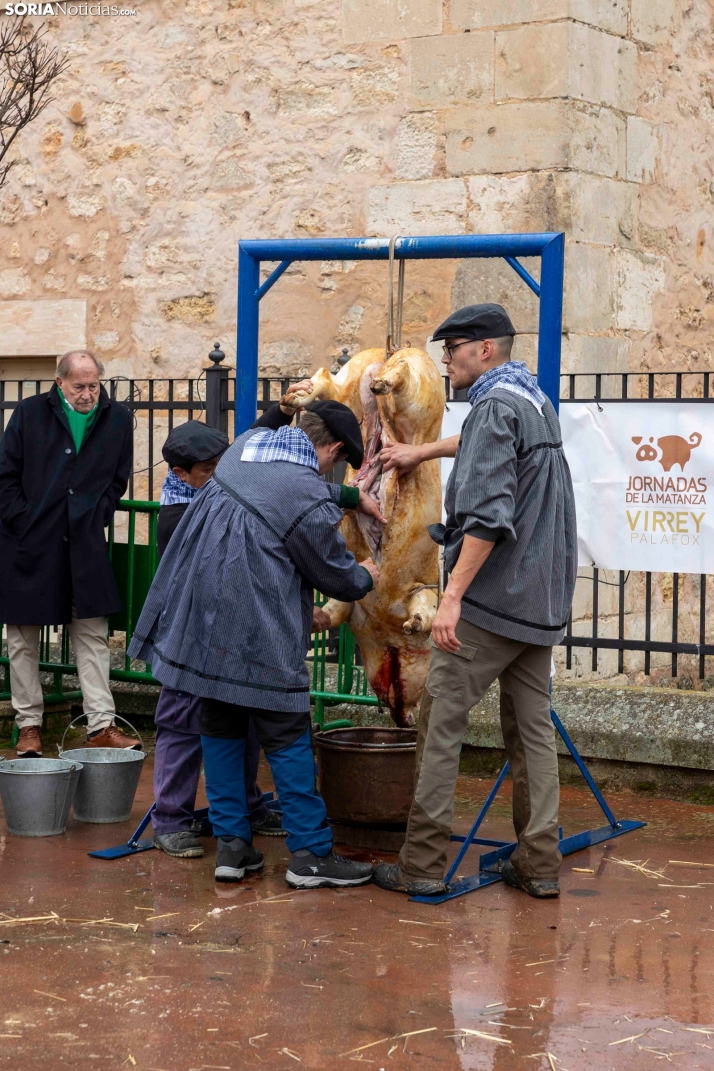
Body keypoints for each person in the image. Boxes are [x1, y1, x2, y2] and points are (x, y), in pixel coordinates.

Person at [129, 400, 385, 888]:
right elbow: (337, 577)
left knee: (221, 729)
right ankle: (310, 855)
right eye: (335, 464)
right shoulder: (307, 494)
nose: (328, 474)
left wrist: (351, 498)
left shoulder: (245, 449)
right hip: (258, 631)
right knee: (288, 738)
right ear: (332, 450)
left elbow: (278, 491)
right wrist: (366, 574)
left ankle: (232, 849)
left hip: (200, 626)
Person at [374, 303, 577, 900]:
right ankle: (539, 864)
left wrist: (452, 598)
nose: (445, 359)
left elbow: (488, 518)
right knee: (532, 734)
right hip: (540, 602)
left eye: (454, 347)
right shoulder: (531, 399)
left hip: (492, 604)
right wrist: (422, 452)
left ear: (485, 349)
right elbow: (488, 446)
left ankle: (422, 866)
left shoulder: (493, 406)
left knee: (440, 727)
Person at [151, 386, 315, 859]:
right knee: (183, 726)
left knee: (239, 725)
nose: (222, 472)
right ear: (180, 474)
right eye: (209, 469)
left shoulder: (218, 488)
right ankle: (171, 821)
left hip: (228, 635)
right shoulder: (180, 516)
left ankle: (246, 809)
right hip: (189, 639)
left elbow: (244, 449)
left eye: (221, 463)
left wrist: (278, 412)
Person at [0, 350, 139, 757]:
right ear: (59, 382)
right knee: (23, 639)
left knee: (93, 634)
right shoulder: (29, 413)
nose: (88, 393)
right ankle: (29, 726)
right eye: (79, 386)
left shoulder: (118, 419)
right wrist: (23, 518)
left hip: (85, 543)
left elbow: (118, 479)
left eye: (94, 385)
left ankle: (101, 724)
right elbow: (5, 475)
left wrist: (99, 512)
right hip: (30, 542)